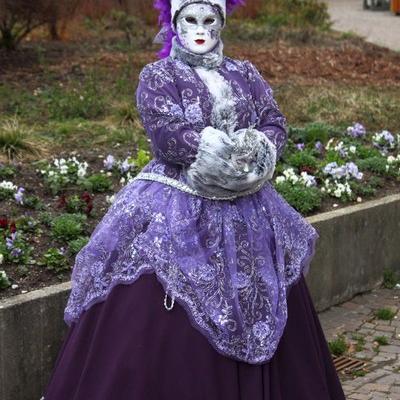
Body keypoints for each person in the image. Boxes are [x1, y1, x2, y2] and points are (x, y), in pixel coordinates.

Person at [41, 0, 346, 399]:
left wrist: (257, 150)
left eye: (209, 20)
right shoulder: (158, 75)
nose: (200, 28)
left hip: (249, 203)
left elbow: (273, 120)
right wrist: (211, 151)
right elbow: (165, 130)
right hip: (176, 200)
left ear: (221, 24)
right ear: (174, 22)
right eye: (190, 19)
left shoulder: (244, 73)